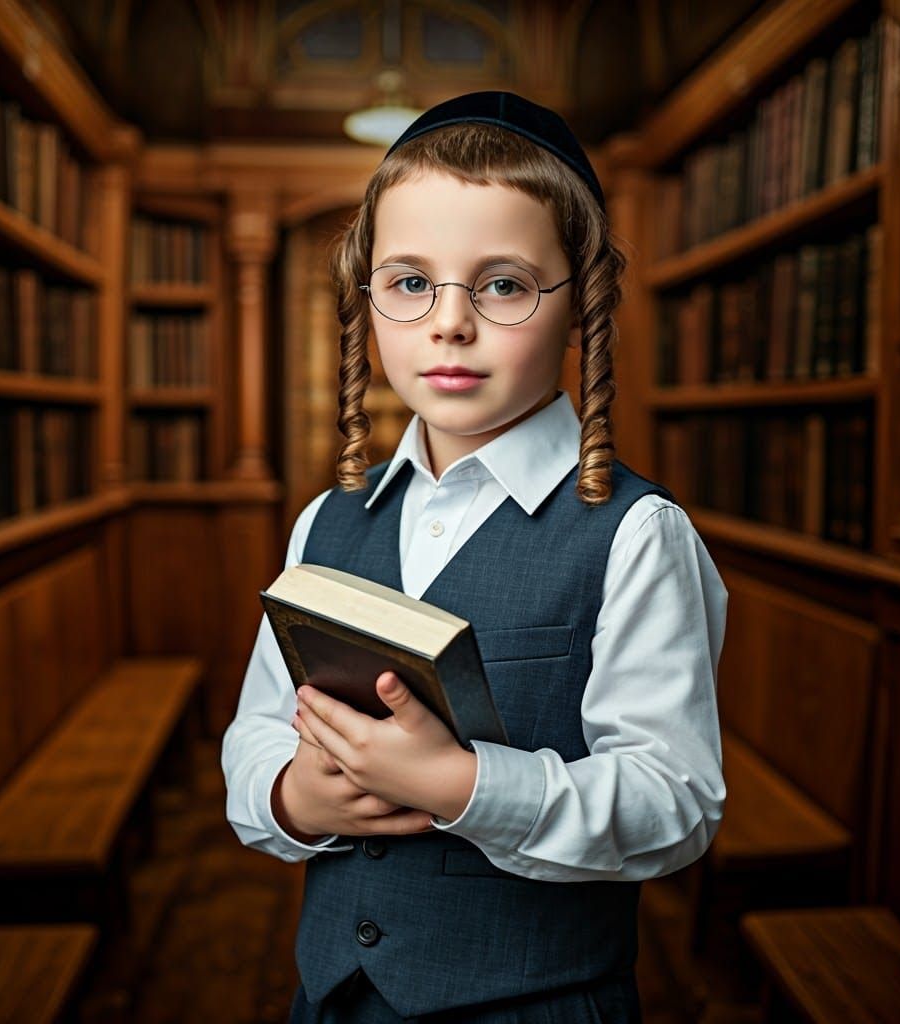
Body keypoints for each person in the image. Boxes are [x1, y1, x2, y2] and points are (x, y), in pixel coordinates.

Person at [222, 91, 727, 1023]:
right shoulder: (323, 524)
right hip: (333, 999)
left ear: (583, 301)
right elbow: (255, 730)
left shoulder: (636, 536)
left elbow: (676, 803)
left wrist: (459, 785)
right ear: (367, 297)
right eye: (410, 283)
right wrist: (292, 796)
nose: (449, 323)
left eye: (501, 284)